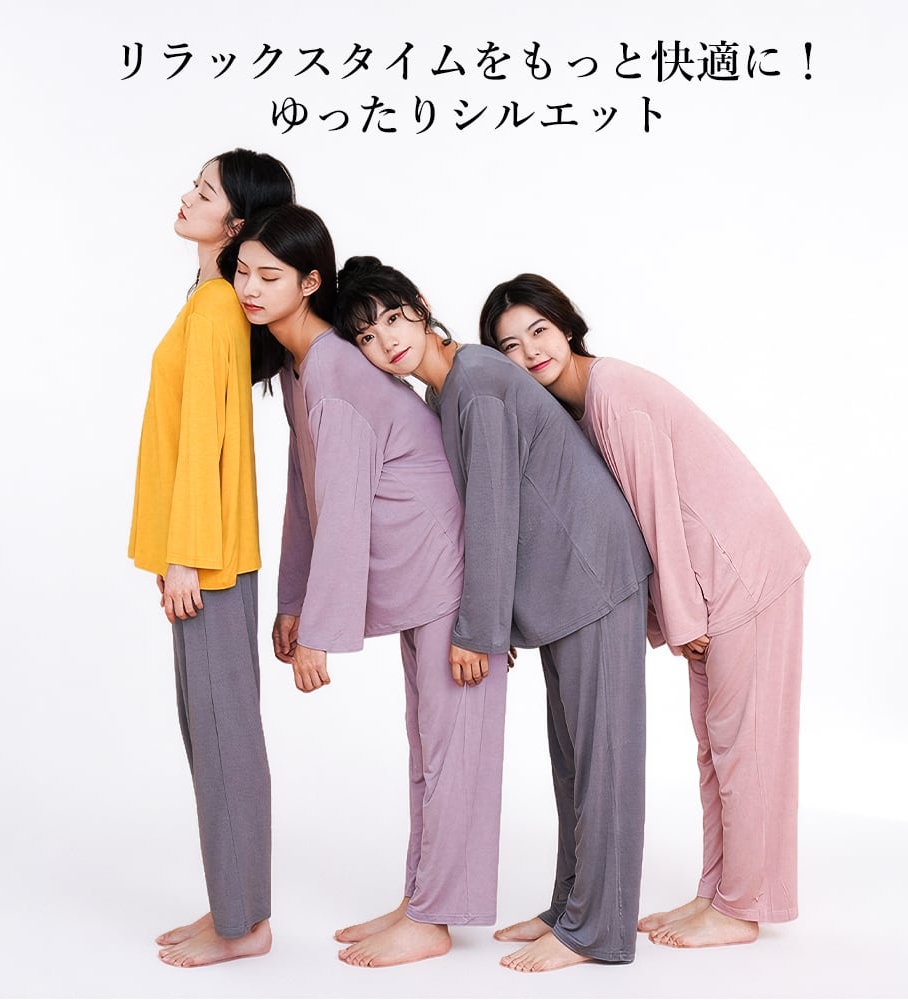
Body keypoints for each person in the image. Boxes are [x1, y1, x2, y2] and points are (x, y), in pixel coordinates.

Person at [335, 257, 654, 974]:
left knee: (603, 757)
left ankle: (599, 931)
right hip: (563, 587)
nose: (387, 341)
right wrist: (496, 620)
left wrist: (478, 630)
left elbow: (492, 513)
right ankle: (571, 907)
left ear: (421, 306)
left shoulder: (475, 383)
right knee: (573, 759)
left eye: (393, 318)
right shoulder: (452, 388)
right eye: (366, 337)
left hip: (593, 575)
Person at [479, 273, 810, 949]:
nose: (530, 352)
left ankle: (743, 907)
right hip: (715, 575)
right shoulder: (580, 407)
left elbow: (655, 508)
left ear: (567, 327)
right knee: (715, 748)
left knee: (744, 747)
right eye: (509, 345)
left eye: (539, 331)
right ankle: (718, 894)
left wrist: (681, 620)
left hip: (742, 569)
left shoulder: (613, 393)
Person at [228, 204, 508, 968]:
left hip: (445, 569)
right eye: (242, 273)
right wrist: (293, 599)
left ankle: (436, 916)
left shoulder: (331, 366)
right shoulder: (304, 369)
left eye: (269, 276)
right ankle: (424, 899)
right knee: (430, 745)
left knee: (454, 748)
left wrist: (321, 633)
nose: (250, 289)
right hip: (417, 571)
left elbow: (346, 506)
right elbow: (307, 489)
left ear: (307, 283)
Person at [128, 150, 294, 967]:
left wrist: (187, 558)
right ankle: (234, 903)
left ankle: (245, 925)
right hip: (202, 557)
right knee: (213, 731)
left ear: (236, 224)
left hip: (210, 561)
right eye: (194, 185)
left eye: (205, 192)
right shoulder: (210, 299)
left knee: (225, 736)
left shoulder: (220, 305)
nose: (187, 197)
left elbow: (206, 440)